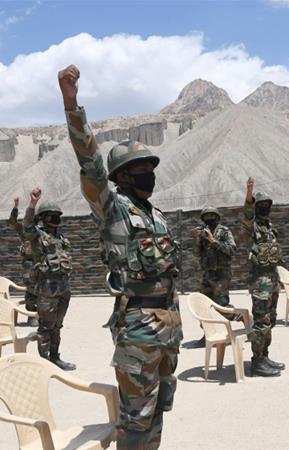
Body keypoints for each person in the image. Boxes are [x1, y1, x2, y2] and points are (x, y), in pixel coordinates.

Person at [60, 64, 182, 449]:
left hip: (167, 325)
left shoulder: (155, 215)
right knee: (136, 418)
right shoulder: (112, 208)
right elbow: (91, 166)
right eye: (139, 168)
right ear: (123, 176)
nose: (148, 173)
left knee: (160, 407)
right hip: (138, 330)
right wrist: (72, 105)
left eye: (149, 166)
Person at [22, 189, 75, 370]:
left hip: (63, 288)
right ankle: (45, 363)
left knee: (57, 326)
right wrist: (32, 204)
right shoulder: (38, 236)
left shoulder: (60, 238)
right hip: (47, 289)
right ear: (43, 218)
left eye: (57, 215)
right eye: (51, 215)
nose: (55, 218)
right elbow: (27, 226)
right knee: (46, 327)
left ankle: (55, 357)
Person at [242, 176, 285, 377]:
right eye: (261, 204)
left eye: (268, 204)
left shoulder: (269, 227)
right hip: (260, 281)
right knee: (261, 321)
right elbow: (248, 215)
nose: (265, 207)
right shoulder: (252, 226)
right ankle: (257, 361)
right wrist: (249, 195)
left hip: (272, 278)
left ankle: (265, 355)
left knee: (271, 319)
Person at [189, 206, 240, 347]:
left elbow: (231, 249)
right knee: (202, 306)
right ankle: (207, 335)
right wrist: (198, 240)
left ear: (217, 217)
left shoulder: (224, 231)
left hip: (221, 273)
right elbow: (196, 253)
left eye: (212, 215)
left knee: (221, 305)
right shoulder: (203, 232)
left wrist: (214, 241)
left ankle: (241, 317)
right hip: (207, 273)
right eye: (206, 216)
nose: (209, 218)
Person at [9, 196, 38, 327]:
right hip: (29, 263)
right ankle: (32, 315)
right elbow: (12, 222)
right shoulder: (23, 230)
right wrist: (15, 207)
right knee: (30, 289)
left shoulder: (40, 231)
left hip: (42, 263)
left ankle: (43, 317)